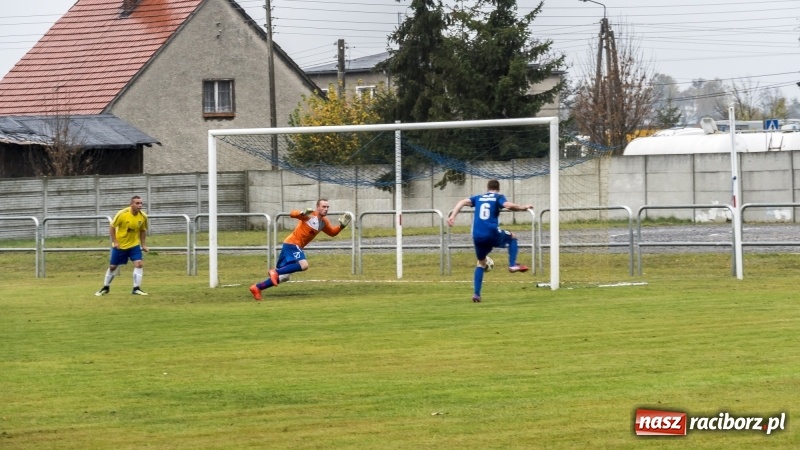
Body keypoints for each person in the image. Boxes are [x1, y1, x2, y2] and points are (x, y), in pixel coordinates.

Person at [447, 179, 532, 303]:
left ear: (487, 188)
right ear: (498, 189)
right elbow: (508, 205)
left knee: (481, 263)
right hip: (491, 233)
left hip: (477, 236)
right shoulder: (498, 197)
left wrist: (452, 216)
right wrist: (523, 207)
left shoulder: (479, 198)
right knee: (512, 236)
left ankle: (476, 294)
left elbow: (462, 202)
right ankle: (512, 264)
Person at [249, 198, 351, 300]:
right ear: (317, 207)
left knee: (284, 276)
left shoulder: (323, 222)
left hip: (290, 245)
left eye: (327, 207)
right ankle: (275, 272)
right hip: (292, 244)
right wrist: (302, 213)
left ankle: (257, 288)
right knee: (304, 265)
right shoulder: (309, 216)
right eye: (324, 207)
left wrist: (341, 226)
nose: (326, 209)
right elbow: (293, 214)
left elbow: (332, 233)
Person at [95, 195, 150, 296]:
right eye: (137, 203)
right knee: (112, 267)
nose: (140, 205)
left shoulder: (143, 216)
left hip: (134, 245)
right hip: (120, 245)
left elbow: (143, 230)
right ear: (131, 204)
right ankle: (105, 287)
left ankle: (136, 288)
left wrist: (143, 245)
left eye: (141, 203)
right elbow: (112, 227)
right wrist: (115, 242)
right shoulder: (122, 214)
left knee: (139, 264)